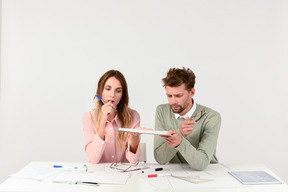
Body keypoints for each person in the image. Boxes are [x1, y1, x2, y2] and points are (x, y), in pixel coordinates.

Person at [154, 67, 221, 171]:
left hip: (208, 173)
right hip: (176, 174)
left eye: (178, 96)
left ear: (192, 92)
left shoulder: (211, 117)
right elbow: (160, 158)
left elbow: (201, 163)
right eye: (169, 95)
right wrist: (179, 133)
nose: (173, 101)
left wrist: (180, 141)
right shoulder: (162, 111)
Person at [83, 70, 141, 164]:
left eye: (118, 91)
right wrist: (102, 122)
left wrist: (134, 141)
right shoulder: (88, 117)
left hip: (123, 175)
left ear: (122, 95)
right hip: (99, 176)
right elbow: (94, 158)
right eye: (108, 89)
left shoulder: (133, 116)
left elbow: (133, 159)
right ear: (100, 91)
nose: (112, 95)